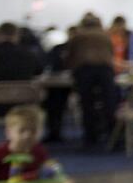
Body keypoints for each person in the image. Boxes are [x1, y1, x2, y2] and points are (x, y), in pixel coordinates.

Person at [65, 15, 118, 147]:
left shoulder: (78, 35)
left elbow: (70, 56)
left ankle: (90, 137)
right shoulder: (105, 35)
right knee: (109, 103)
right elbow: (111, 54)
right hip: (105, 70)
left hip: (85, 70)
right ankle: (113, 135)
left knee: (87, 103)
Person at [42, 26, 76, 143]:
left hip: (71, 84)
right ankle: (54, 131)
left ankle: (54, 131)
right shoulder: (59, 49)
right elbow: (49, 64)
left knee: (56, 100)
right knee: (55, 100)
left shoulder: (79, 50)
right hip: (60, 83)